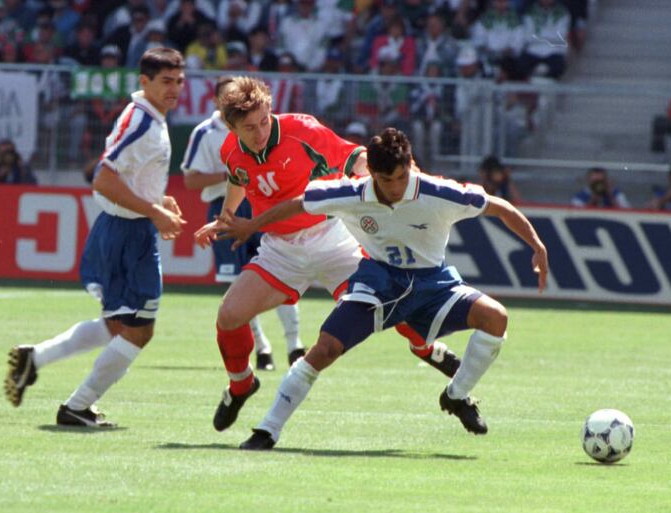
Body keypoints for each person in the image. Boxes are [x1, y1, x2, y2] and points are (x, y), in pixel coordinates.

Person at [216, 127, 548, 450]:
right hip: (380, 282)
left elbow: (499, 206)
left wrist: (537, 246)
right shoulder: (352, 193)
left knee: (496, 318)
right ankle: (268, 430)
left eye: (401, 177)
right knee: (326, 348)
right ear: (371, 172)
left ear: (411, 165)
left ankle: (456, 395)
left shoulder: (438, 191)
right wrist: (252, 225)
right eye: (385, 179)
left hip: (434, 284)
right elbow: (301, 202)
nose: (394, 187)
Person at [194, 77, 463, 434]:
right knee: (228, 316)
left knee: (394, 306)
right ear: (231, 127)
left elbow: (357, 157)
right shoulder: (230, 149)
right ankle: (241, 385)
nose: (259, 132)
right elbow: (238, 179)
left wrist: (396, 182)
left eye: (263, 121)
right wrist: (225, 217)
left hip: (333, 239)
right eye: (249, 128)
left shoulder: (303, 130)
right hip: (280, 251)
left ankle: (429, 351)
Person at [4, 48, 187, 428]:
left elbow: (128, 174)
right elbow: (103, 177)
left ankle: (34, 359)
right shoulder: (142, 121)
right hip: (128, 233)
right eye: (166, 81)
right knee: (139, 330)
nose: (174, 89)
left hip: (125, 229)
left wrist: (157, 200)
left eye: (179, 81)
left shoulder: (148, 116)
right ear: (145, 82)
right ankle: (77, 406)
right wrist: (153, 211)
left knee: (118, 327)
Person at [182, 77, 305, 371]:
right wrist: (233, 174)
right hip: (224, 208)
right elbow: (190, 178)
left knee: (279, 274)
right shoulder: (206, 133)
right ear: (219, 104)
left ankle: (295, 346)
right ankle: (262, 349)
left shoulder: (267, 128)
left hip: (262, 203)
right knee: (236, 283)